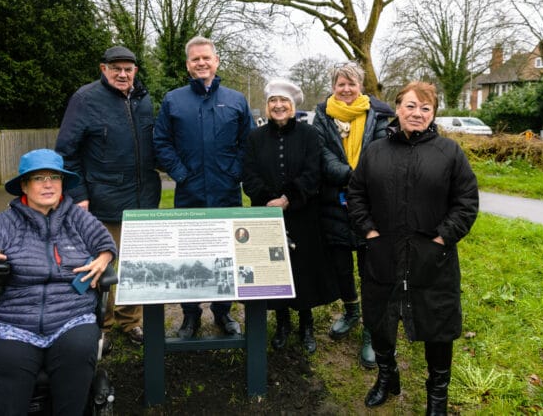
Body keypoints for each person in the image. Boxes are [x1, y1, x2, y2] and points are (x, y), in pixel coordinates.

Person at [347, 82, 479, 414]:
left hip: (432, 258)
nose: (416, 114)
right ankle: (387, 377)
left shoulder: (449, 153)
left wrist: (441, 239)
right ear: (397, 109)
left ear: (433, 114)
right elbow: (356, 194)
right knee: (379, 319)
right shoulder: (376, 151)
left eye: (425, 108)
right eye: (410, 106)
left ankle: (437, 397)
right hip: (383, 253)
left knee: (438, 326)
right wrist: (370, 233)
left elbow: (465, 203)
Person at [0, 149, 117, 415]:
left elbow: (105, 242)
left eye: (54, 177)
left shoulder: (77, 217)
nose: (48, 184)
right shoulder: (6, 222)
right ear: (24, 185)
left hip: (71, 316)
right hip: (14, 322)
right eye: (38, 178)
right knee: (11, 369)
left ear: (62, 184)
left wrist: (104, 258)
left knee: (77, 353)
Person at [56, 45, 161, 350]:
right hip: (103, 200)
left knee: (136, 265)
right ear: (103, 70)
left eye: (128, 69)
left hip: (143, 199)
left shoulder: (143, 99)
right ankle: (100, 324)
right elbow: (66, 151)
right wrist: (78, 194)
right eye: (115, 68)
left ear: (135, 72)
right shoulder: (85, 99)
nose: (122, 74)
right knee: (101, 265)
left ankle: (130, 321)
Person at [153, 35, 254, 338]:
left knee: (225, 255)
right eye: (195, 59)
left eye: (206, 57)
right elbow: (161, 142)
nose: (201, 63)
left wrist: (233, 172)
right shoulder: (174, 100)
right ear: (188, 65)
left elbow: (248, 142)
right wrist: (181, 174)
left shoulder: (236, 100)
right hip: (190, 192)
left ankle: (223, 314)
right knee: (190, 257)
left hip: (226, 192)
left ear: (216, 61)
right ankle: (190, 315)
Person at [242, 79, 338, 353]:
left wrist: (288, 198)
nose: (279, 105)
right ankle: (282, 322)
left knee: (303, 269)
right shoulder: (254, 137)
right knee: (274, 270)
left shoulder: (309, 135)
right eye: (273, 101)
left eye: (284, 101)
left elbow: (313, 171)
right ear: (267, 106)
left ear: (293, 106)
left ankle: (306, 323)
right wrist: (267, 200)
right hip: (266, 216)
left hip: (303, 213)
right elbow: (248, 174)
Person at [312, 61, 394, 368]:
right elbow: (322, 155)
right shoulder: (321, 116)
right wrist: (350, 174)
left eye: (351, 83)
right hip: (333, 202)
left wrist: (360, 179)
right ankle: (351, 311)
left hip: (373, 205)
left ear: (361, 85)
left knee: (371, 271)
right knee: (341, 268)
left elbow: (382, 149)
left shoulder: (380, 113)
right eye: (340, 84)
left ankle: (372, 330)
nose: (346, 89)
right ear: (333, 86)